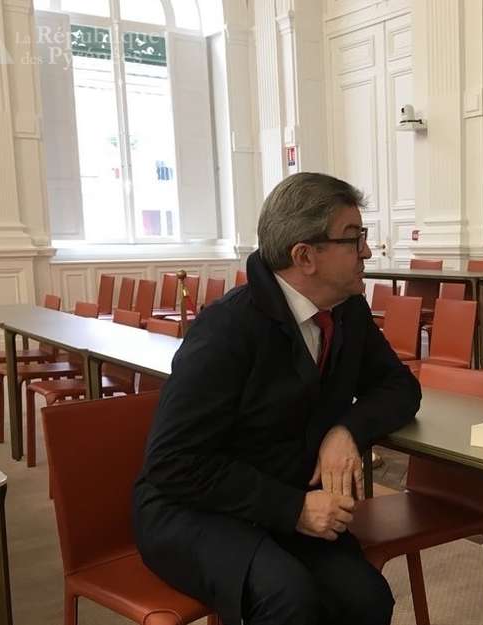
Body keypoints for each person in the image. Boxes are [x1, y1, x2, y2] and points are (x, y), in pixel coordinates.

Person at [133, 172, 421, 625]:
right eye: (354, 238)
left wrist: (345, 431)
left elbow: (400, 387)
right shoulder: (227, 329)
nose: (367, 250)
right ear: (305, 256)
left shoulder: (347, 311)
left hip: (285, 502)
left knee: (367, 599)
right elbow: (172, 463)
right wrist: (292, 509)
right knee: (289, 599)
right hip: (194, 510)